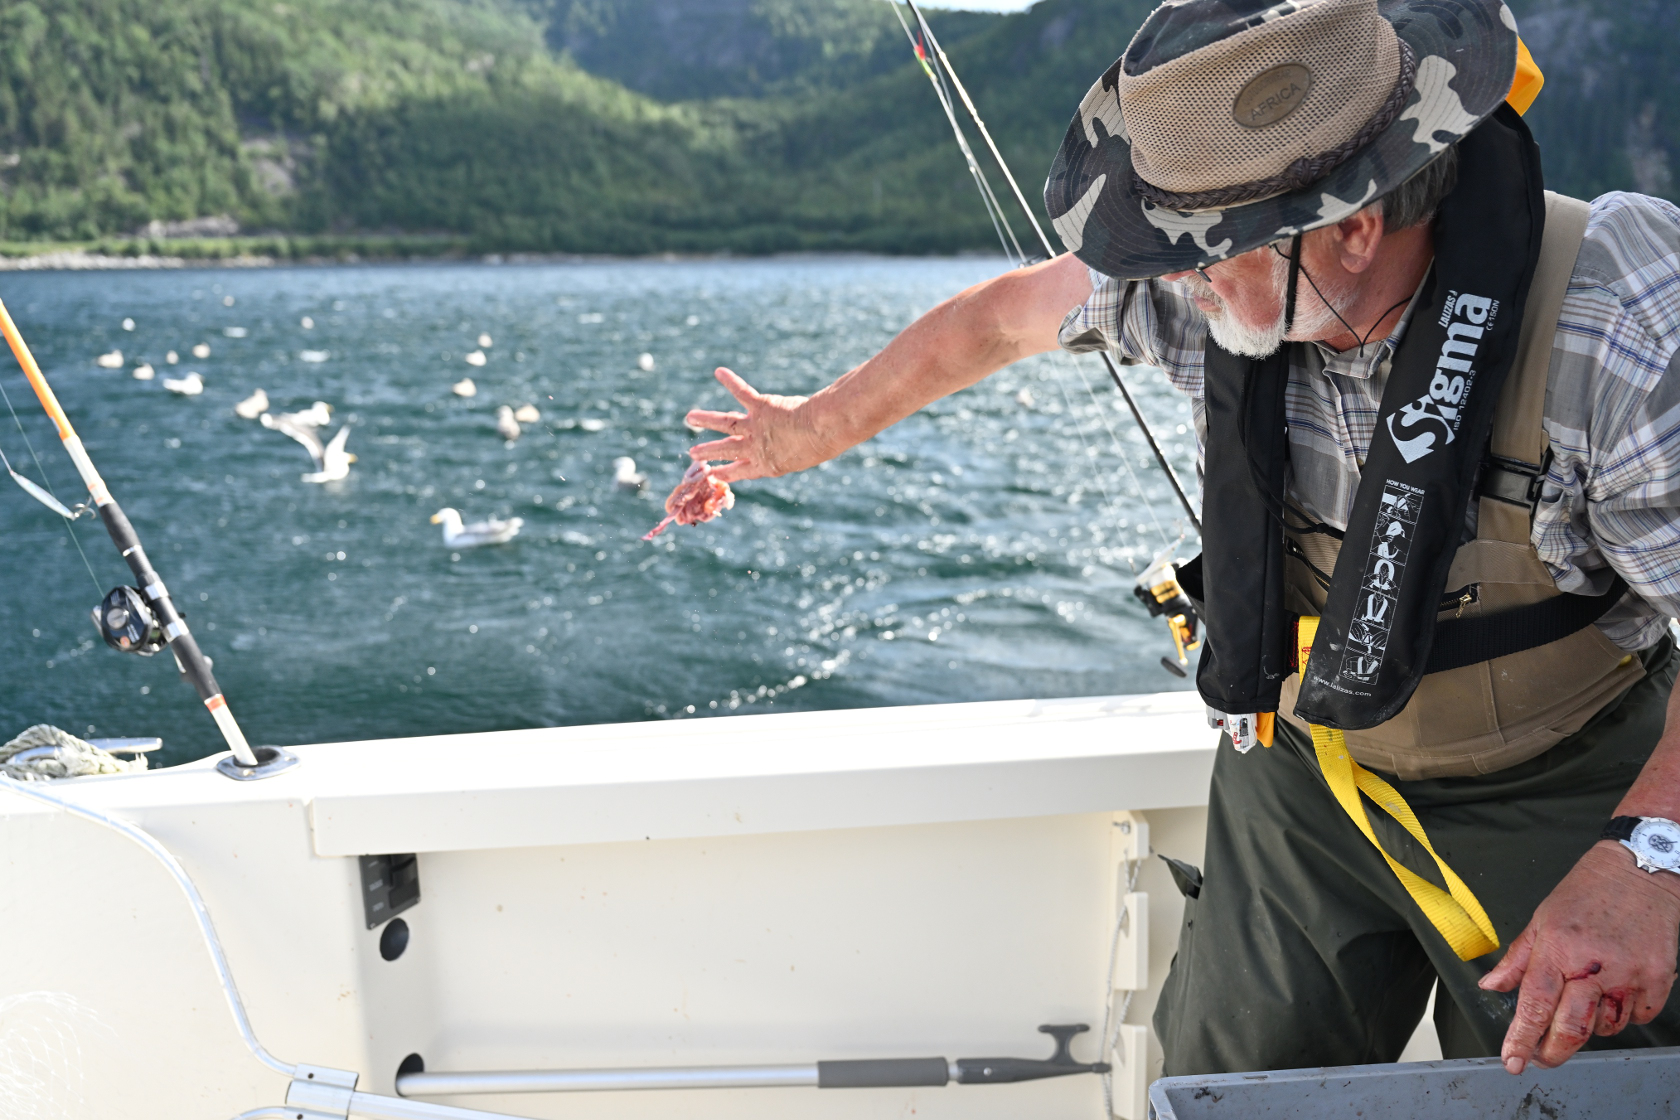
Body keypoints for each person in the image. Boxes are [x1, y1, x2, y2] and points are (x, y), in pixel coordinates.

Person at [684, 0, 1680, 1081]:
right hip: (1311, 773)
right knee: (1219, 1082)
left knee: (1589, 1089)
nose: (1162, 275)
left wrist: (1649, 858)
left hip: (1564, 777)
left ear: (1352, 227)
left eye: (1199, 250)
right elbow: (993, 321)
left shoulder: (1619, 319)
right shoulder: (1198, 288)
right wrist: (799, 434)